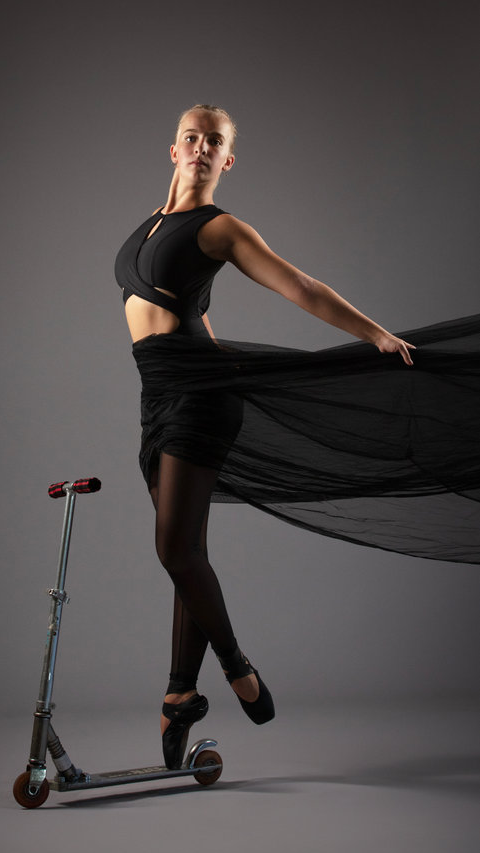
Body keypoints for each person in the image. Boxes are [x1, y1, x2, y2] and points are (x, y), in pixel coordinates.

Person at [114, 103, 442, 771]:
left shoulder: (221, 228)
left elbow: (299, 285)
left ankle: (237, 666)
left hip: (200, 397)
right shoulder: (149, 224)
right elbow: (180, 308)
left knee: (175, 547)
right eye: (190, 137)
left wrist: (374, 334)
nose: (200, 147)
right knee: (187, 553)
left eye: (214, 142)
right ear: (173, 149)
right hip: (159, 393)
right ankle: (180, 694)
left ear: (226, 159)